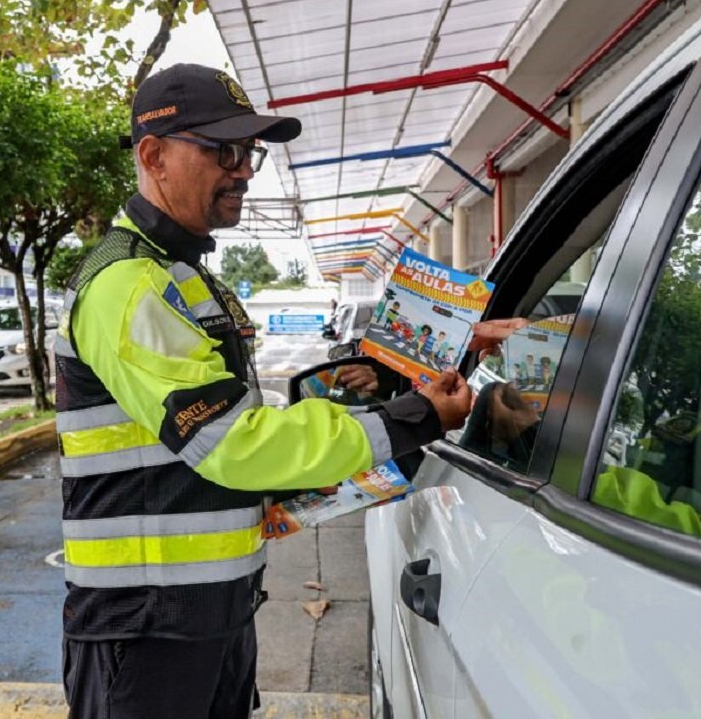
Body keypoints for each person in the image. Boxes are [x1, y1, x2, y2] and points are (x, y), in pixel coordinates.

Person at [54, 63, 473, 719]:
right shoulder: (129, 286)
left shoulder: (184, 278)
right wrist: (414, 418)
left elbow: (224, 428)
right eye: (224, 151)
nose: (245, 171)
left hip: (204, 614)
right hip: (146, 628)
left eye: (250, 152)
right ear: (154, 156)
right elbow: (235, 445)